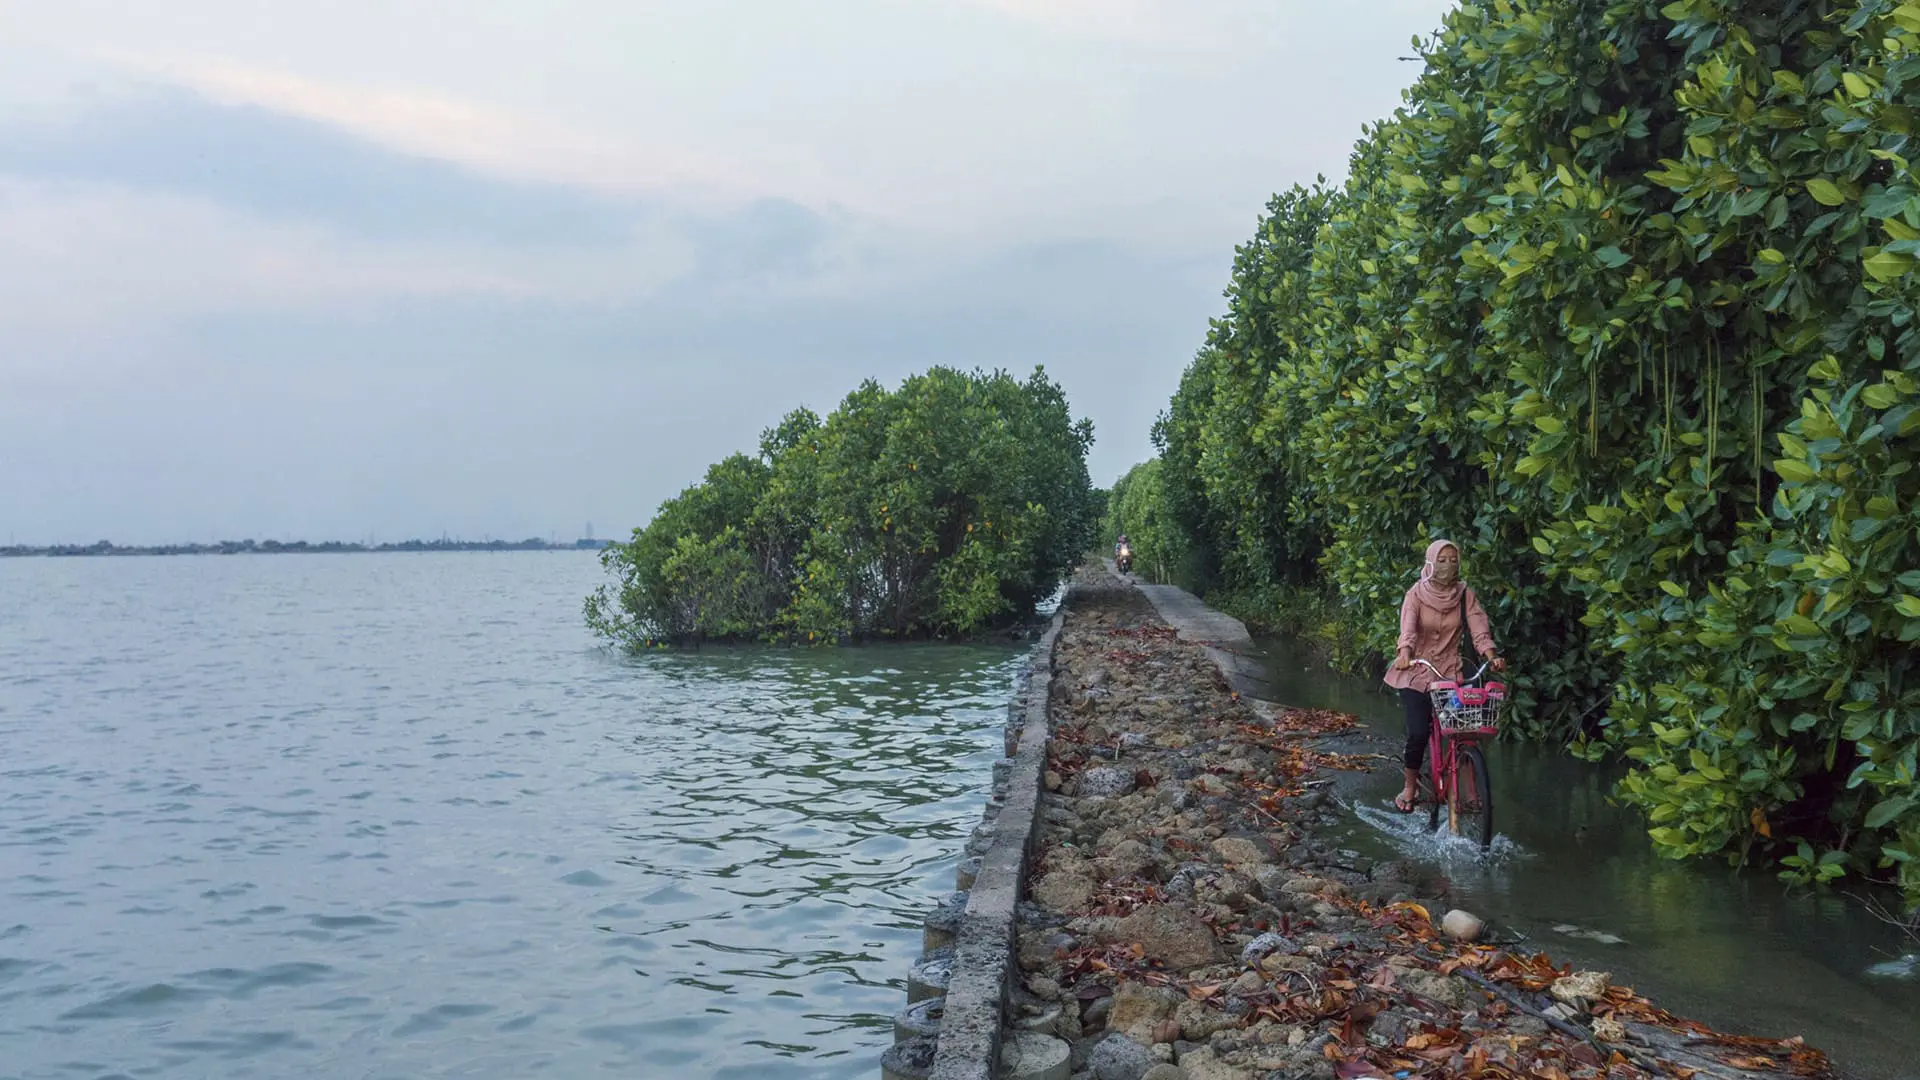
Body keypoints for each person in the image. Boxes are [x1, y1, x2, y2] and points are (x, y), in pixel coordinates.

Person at [1383, 539, 1504, 813]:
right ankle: (1410, 786)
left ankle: (1468, 787)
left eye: (1452, 560)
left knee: (1465, 731)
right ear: (1430, 563)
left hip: (1451, 672)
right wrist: (1405, 653)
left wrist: (1491, 655)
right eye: (1442, 560)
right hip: (1417, 669)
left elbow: (1478, 626)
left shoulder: (1464, 594)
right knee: (1417, 733)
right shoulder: (1415, 594)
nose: (1447, 566)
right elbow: (1408, 628)